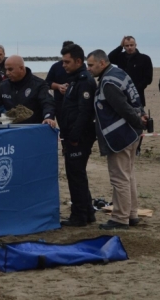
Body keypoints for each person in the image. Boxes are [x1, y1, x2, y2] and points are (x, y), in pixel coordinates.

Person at [87, 49, 148, 230]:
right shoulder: (119, 73)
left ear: (102, 63)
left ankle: (120, 218)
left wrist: (137, 121)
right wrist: (140, 119)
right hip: (131, 134)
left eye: (91, 65)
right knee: (128, 176)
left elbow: (123, 108)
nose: (88, 69)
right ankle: (132, 214)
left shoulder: (108, 83)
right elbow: (135, 100)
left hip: (120, 137)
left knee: (119, 178)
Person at [56, 45, 97, 227]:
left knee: (75, 176)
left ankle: (79, 216)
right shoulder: (75, 80)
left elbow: (84, 112)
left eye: (67, 62)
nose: (63, 65)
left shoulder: (85, 81)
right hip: (72, 135)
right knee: (77, 174)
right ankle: (87, 212)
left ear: (78, 61)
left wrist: (73, 136)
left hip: (79, 137)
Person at [0, 55, 56, 126]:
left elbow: (47, 103)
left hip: (33, 129)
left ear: (21, 68)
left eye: (10, 70)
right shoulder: (4, 86)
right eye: (6, 70)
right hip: (11, 128)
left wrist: (49, 117)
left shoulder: (39, 85)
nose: (7, 73)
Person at [108, 36, 153, 155]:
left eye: (131, 45)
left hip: (137, 95)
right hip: (121, 96)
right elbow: (109, 58)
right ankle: (125, 145)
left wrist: (135, 89)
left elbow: (148, 78)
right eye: (127, 46)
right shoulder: (121, 57)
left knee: (139, 121)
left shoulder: (144, 59)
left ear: (135, 45)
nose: (129, 48)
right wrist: (120, 46)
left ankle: (137, 147)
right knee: (122, 121)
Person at [45, 40, 75, 126]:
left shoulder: (81, 68)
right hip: (60, 103)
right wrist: (58, 86)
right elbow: (47, 83)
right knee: (63, 129)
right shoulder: (56, 67)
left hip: (75, 104)